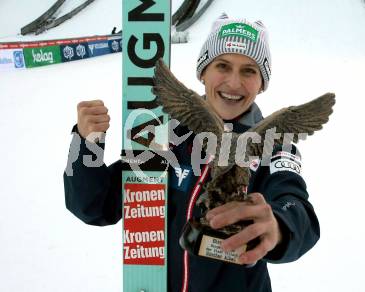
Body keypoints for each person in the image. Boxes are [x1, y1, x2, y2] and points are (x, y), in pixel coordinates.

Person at [64, 14, 320, 292]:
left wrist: (279, 226)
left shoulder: (275, 144)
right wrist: (85, 143)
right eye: (222, 65)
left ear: (262, 82)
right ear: (203, 72)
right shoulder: (166, 137)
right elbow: (95, 206)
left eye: (249, 70)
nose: (234, 83)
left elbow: (295, 206)